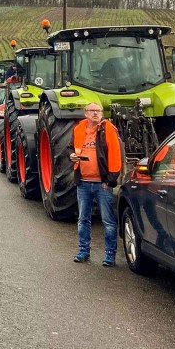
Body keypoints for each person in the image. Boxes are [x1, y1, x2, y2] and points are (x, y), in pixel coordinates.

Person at [70, 102, 123, 267]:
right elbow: (70, 149)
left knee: (108, 221)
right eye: (92, 111)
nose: (95, 113)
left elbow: (115, 155)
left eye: (98, 111)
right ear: (85, 113)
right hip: (83, 182)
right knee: (83, 219)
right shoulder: (79, 129)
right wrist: (71, 156)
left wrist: (110, 181)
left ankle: (109, 255)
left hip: (102, 184)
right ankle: (83, 250)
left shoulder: (108, 129)